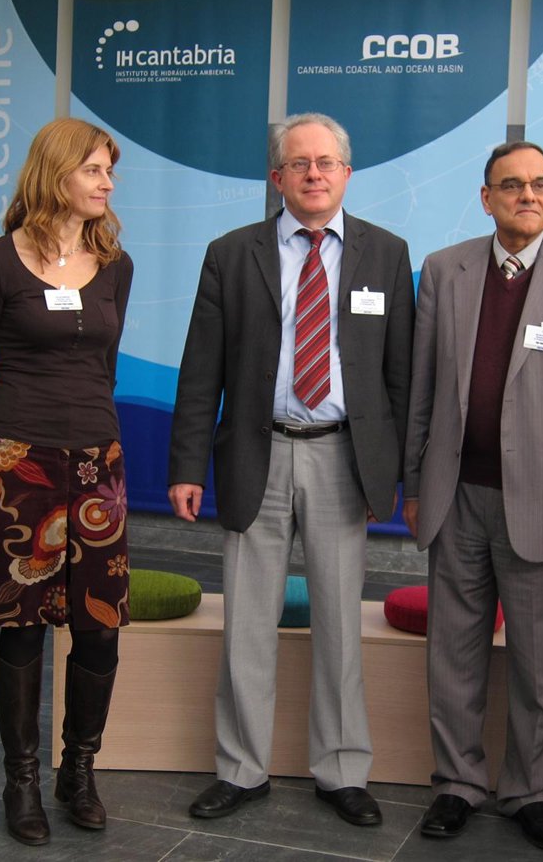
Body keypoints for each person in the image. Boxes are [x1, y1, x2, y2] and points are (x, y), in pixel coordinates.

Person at [167, 112, 414, 827]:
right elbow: (200, 370)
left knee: (340, 626)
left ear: (347, 173)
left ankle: (342, 770)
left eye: (326, 162)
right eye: (299, 163)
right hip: (257, 451)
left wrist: (396, 471)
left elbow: (400, 374)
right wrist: (186, 464)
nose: (314, 174)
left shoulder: (386, 253)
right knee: (247, 623)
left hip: (344, 456)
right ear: (277, 178)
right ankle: (241, 769)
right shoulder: (230, 253)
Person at [403, 140, 543, 850]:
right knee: (453, 651)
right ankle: (457, 783)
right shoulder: (444, 270)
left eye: (540, 184)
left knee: (542, 659)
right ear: (486, 198)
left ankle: (530, 790)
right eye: (511, 185)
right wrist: (414, 482)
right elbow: (422, 387)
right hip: (455, 494)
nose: (527, 196)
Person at [0, 118, 134, 846]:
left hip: (96, 464)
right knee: (21, 627)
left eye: (109, 171)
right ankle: (20, 780)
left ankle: (77, 771)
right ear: (56, 173)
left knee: (99, 626)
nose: (107, 183)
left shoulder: (115, 264)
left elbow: (105, 368)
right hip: (14, 459)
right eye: (94, 170)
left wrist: (90, 432)